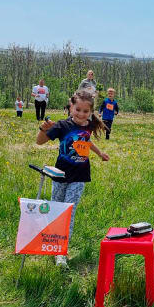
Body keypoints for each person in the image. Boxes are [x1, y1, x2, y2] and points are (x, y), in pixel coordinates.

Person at [37, 89, 109, 267]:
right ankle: (52, 244)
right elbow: (40, 141)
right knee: (56, 210)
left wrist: (99, 153)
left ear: (90, 112)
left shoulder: (88, 126)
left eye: (85, 111)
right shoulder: (62, 126)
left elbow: (86, 141)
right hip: (60, 176)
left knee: (68, 213)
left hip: (79, 177)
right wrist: (43, 129)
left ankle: (61, 251)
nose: (81, 114)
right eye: (78, 110)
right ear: (71, 107)